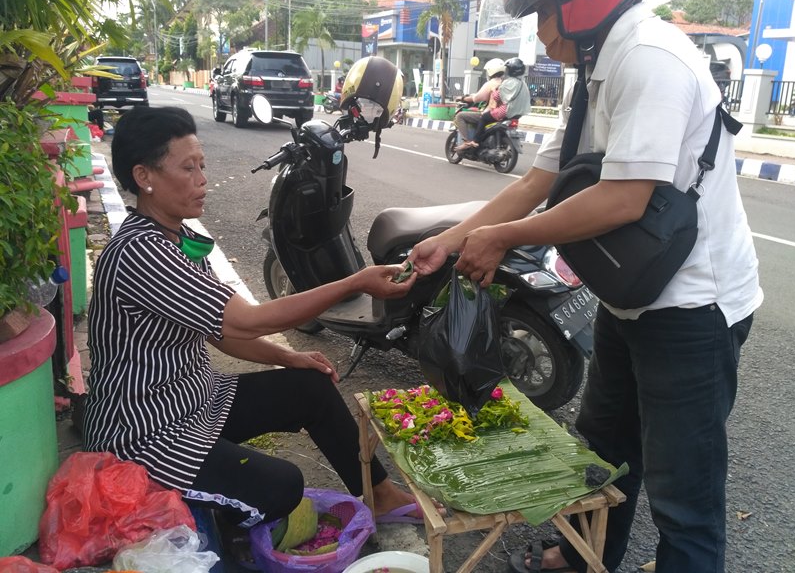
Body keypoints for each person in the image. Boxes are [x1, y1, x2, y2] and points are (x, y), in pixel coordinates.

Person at [410, 0, 762, 572]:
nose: (538, 32)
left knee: (684, 499)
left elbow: (621, 199)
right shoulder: (600, 70)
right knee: (605, 454)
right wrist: (450, 241)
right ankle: (580, 562)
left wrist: (504, 238)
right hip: (632, 299)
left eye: (541, 13)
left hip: (692, 311)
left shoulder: (649, 60)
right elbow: (537, 181)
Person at [82, 106, 434, 548]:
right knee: (283, 486)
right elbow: (246, 320)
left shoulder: (176, 238)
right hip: (144, 436)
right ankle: (214, 527)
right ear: (144, 176)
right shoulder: (140, 252)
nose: (202, 178)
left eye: (203, 166)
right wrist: (358, 282)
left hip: (195, 402)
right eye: (187, 168)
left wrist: (289, 357)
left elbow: (221, 333)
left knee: (311, 386)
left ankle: (379, 495)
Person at [467, 57, 531, 149]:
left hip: (506, 111)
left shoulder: (509, 82)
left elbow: (497, 97)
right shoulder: (523, 83)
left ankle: (475, 141)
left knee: (484, 118)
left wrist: (493, 90)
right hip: (517, 114)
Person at [453, 58, 506, 151]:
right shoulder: (505, 83)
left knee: (460, 116)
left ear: (490, 71)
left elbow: (476, 98)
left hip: (492, 113)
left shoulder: (491, 83)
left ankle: (467, 142)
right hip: (504, 113)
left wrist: (462, 98)